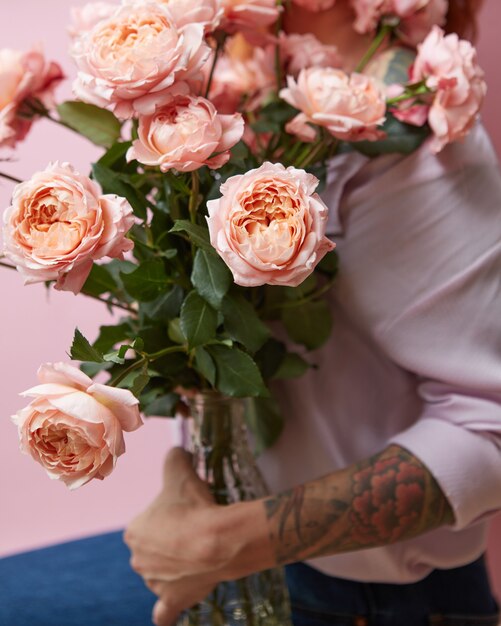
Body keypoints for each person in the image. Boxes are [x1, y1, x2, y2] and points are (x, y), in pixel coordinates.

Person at [1, 1, 500, 626]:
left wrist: (222, 543)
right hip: (261, 565)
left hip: (377, 602)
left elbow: (491, 427)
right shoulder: (261, 101)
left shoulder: (422, 141)